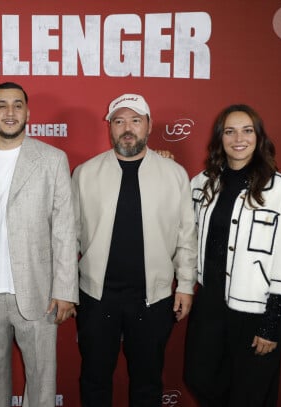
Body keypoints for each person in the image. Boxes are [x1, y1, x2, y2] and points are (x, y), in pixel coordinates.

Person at [71, 93, 197, 406]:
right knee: (95, 380)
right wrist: (64, 288)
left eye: (135, 120)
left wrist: (185, 285)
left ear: (149, 126)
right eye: (119, 121)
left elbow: (186, 236)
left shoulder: (175, 175)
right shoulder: (85, 173)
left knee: (147, 383)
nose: (127, 128)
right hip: (97, 297)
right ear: (110, 128)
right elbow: (68, 235)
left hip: (153, 298)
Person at [0, 82, 78, 407]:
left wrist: (65, 289)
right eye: (2, 105)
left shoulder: (52, 160)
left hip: (39, 293)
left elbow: (65, 228)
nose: (9, 112)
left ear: (27, 112)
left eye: (17, 105)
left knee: (42, 383)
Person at [184, 104, 281, 406]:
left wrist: (272, 322)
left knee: (250, 393)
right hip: (210, 304)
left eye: (247, 130)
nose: (238, 138)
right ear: (220, 138)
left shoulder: (278, 187)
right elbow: (183, 235)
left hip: (255, 310)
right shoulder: (203, 182)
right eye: (230, 131)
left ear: (258, 137)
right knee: (202, 379)